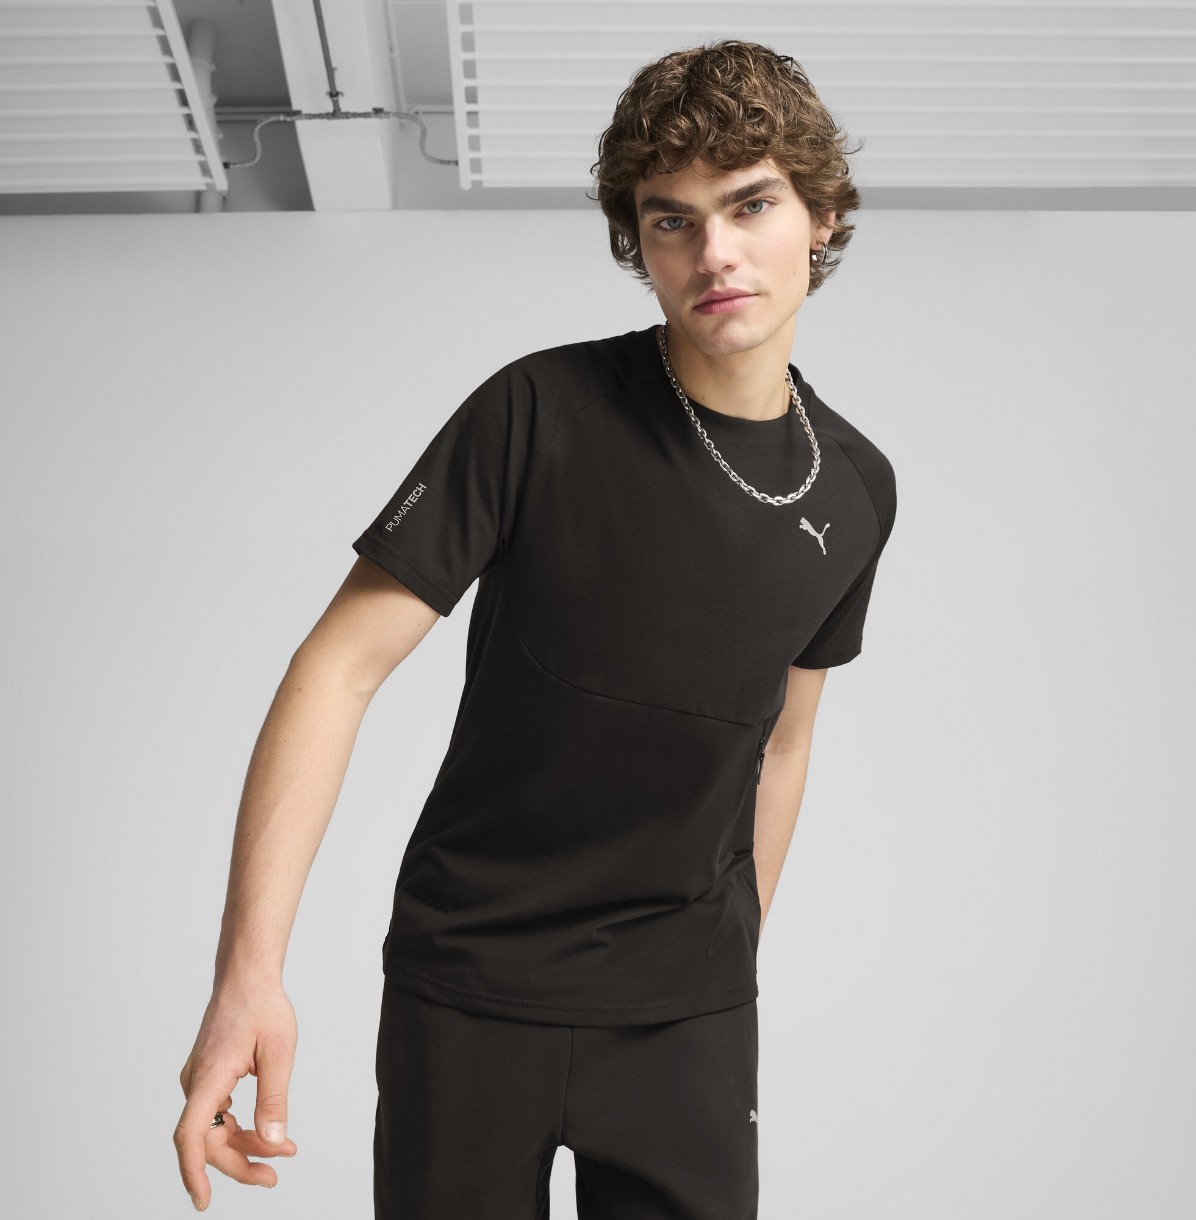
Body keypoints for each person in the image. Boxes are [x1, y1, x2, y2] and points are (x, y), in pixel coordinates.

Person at [174, 37, 896, 1218]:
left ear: (818, 212)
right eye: (671, 220)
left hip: (683, 1015)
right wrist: (245, 975)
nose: (713, 252)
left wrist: (723, 960)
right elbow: (336, 669)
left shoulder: (856, 488)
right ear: (638, 244)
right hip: (469, 983)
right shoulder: (535, 410)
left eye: (749, 204)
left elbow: (782, 740)